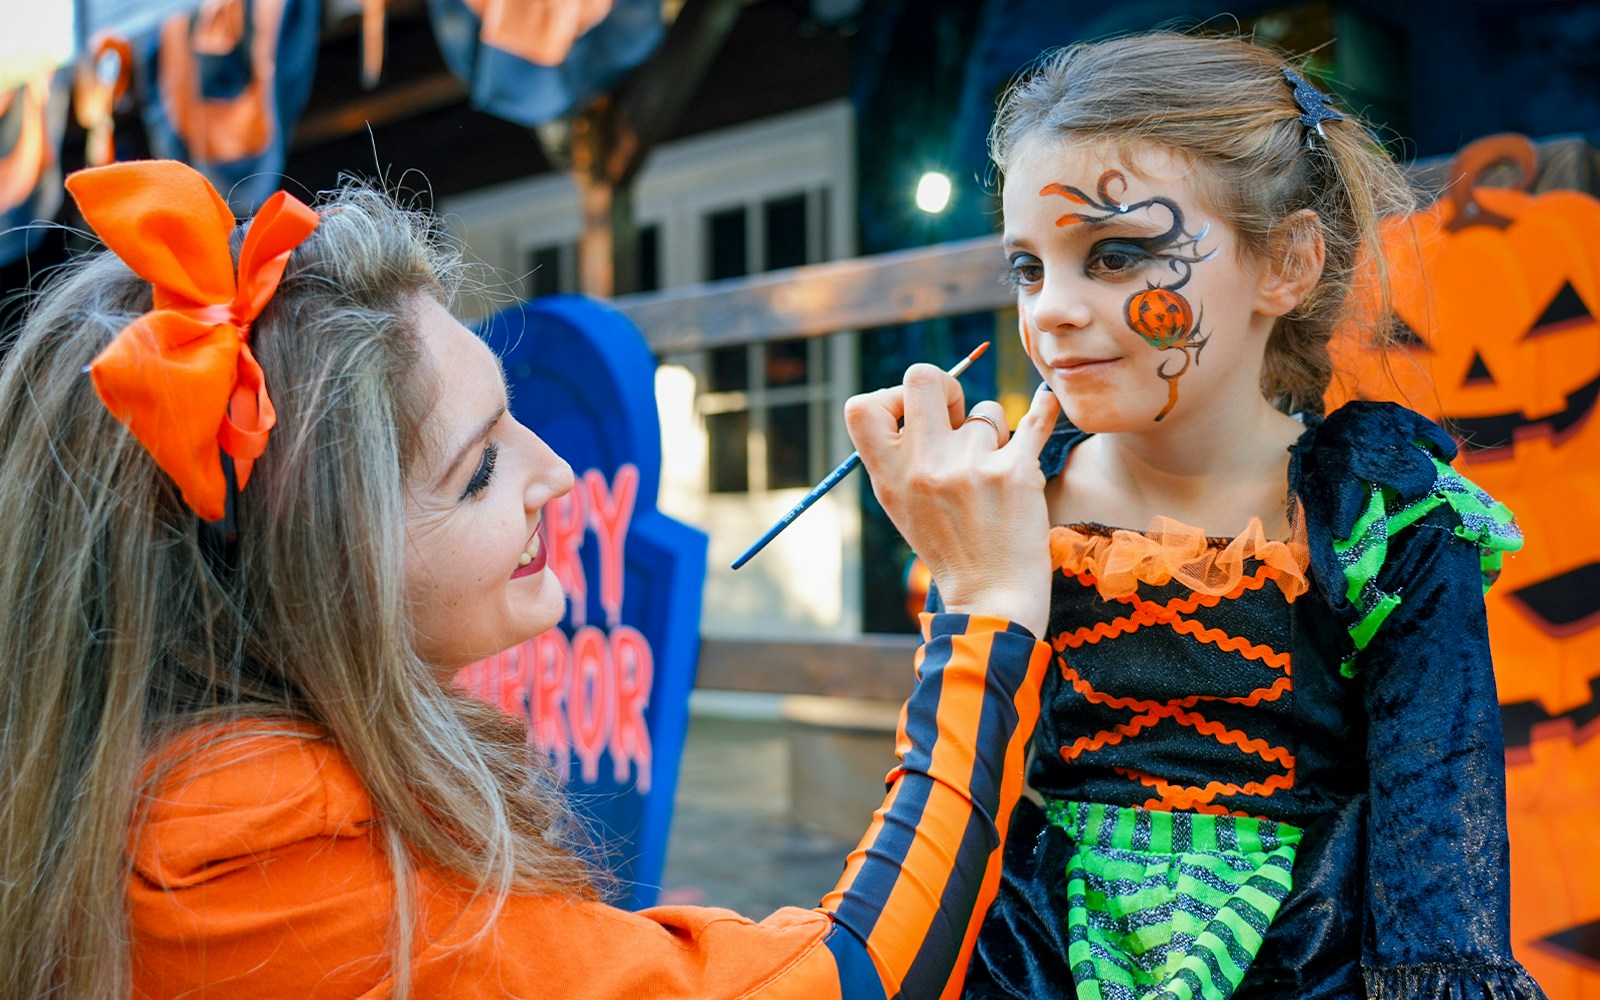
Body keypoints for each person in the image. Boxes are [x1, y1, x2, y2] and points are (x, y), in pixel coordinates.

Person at [0, 159, 1064, 1000]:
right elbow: (851, 978)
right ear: (320, 579)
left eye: (512, 412)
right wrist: (982, 611)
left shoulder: (162, 784)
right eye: (479, 468)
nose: (556, 472)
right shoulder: (262, 871)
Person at [949, 32, 1549, 1000]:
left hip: (1309, 960)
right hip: (1034, 959)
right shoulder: (1007, 496)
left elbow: (1437, 811)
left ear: (1286, 263)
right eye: (1028, 267)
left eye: (1116, 254)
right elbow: (954, 780)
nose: (1051, 310)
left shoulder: (1380, 519)